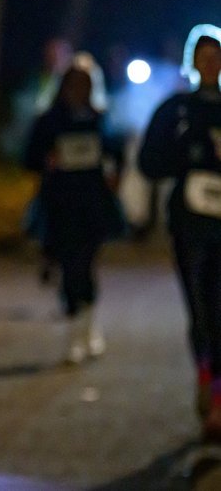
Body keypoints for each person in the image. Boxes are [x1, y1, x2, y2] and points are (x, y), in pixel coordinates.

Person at [138, 34, 221, 440]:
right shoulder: (177, 110)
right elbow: (149, 162)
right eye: (203, 58)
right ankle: (205, 369)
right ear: (193, 63)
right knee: (200, 307)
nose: (209, 65)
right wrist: (187, 158)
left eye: (216, 58)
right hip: (190, 225)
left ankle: (218, 397)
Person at [23, 62, 124, 365]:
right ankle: (74, 332)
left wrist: (113, 175)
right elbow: (29, 158)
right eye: (74, 84)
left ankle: (87, 325)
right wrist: (48, 160)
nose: (79, 91)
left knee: (86, 263)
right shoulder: (49, 121)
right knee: (69, 265)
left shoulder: (100, 120)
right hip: (61, 205)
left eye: (85, 85)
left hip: (93, 204)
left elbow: (117, 154)